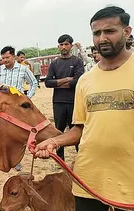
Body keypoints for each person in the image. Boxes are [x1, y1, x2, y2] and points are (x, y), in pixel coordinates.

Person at [35, 6, 134, 211]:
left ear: (127, 32)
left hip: (133, 183)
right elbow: (80, 129)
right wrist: (53, 141)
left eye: (109, 31)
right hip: (87, 181)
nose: (102, 38)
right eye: (97, 33)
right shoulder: (86, 80)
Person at [44, 34, 84, 162]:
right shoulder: (54, 64)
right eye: (61, 44)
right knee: (58, 132)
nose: (63, 47)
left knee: (76, 130)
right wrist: (67, 79)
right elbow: (48, 83)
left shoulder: (77, 61)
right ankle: (59, 161)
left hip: (74, 101)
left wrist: (58, 83)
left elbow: (78, 81)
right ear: (58, 46)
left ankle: (81, 158)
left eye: (66, 44)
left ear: (71, 46)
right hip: (58, 102)